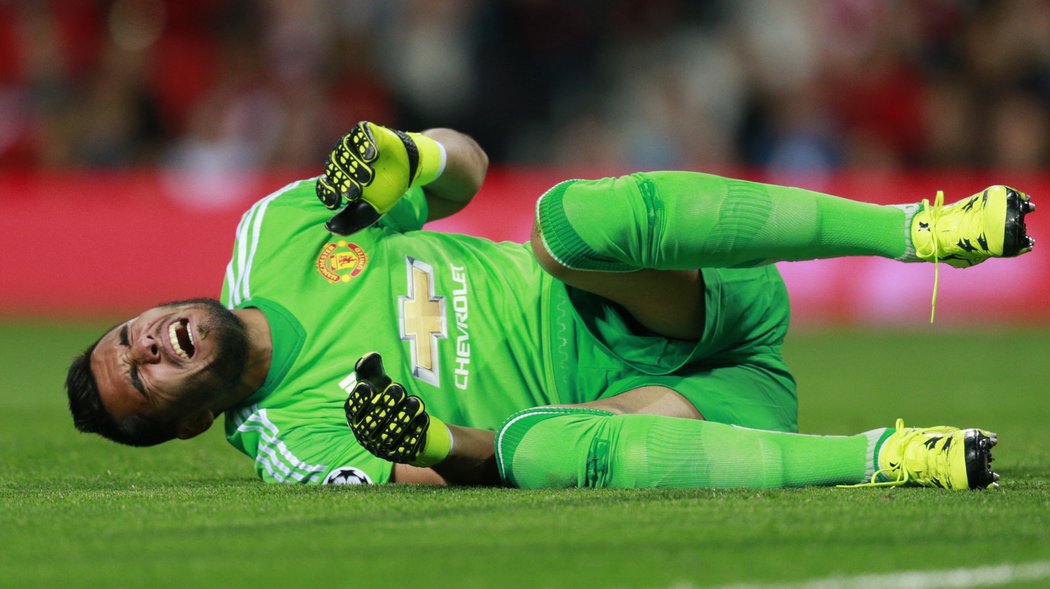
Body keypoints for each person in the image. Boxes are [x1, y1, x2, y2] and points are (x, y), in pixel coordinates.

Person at [66, 122, 1034, 490]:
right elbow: (455, 478)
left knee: (565, 222)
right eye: (145, 376)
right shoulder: (298, 444)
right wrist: (447, 448)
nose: (149, 342)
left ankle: (917, 228)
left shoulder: (276, 231)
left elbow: (467, 166)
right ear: (192, 420)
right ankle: (892, 457)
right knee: (530, 449)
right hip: (700, 416)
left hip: (678, 306)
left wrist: (410, 156)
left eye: (128, 337)